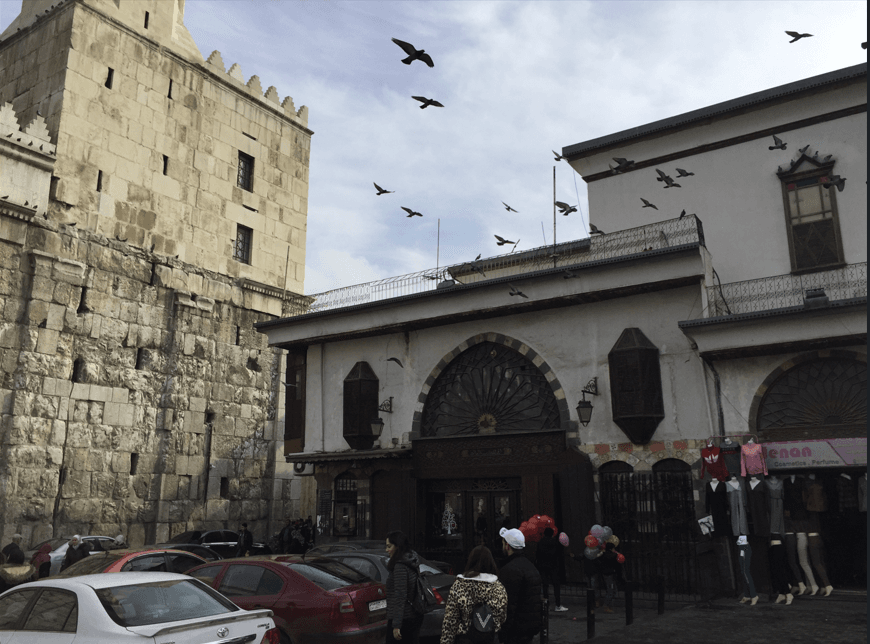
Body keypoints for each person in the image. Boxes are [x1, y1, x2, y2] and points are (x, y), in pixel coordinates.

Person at [440, 545, 507, 644]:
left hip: (465, 638)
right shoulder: (498, 587)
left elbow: (450, 621)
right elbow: (502, 617)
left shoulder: (459, 586)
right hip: (490, 638)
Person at [496, 527, 542, 644]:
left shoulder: (509, 570)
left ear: (507, 546)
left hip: (515, 631)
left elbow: (508, 605)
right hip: (529, 628)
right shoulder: (531, 567)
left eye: (503, 543)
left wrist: (503, 633)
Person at [385, 530, 424, 644]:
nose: (386, 550)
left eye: (389, 546)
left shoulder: (400, 566)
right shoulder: (411, 561)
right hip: (414, 615)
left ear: (397, 546)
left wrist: (396, 624)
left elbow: (400, 595)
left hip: (404, 618)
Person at [536, 528, 567, 612]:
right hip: (553, 566)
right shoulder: (555, 542)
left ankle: (546, 604)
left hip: (543, 566)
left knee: (545, 586)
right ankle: (558, 605)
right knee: (556, 586)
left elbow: (537, 555)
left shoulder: (540, 542)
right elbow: (559, 554)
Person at [595, 543, 621, 613]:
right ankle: (607, 605)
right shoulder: (614, 555)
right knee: (611, 590)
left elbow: (598, 560)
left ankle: (609, 605)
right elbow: (617, 564)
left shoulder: (603, 555)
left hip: (605, 574)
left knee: (611, 589)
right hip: (611, 574)